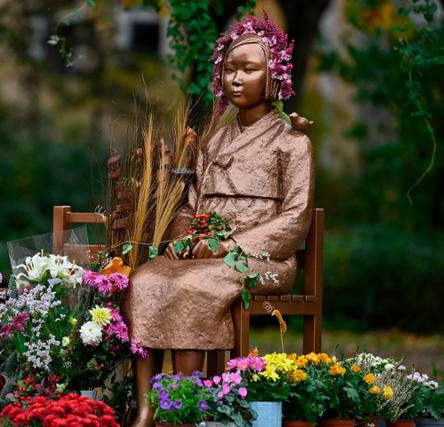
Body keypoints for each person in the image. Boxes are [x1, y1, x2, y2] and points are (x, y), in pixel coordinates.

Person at [124, 13, 315, 427]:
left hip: (264, 259)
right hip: (204, 253)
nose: (237, 79)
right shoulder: (214, 139)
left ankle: (187, 409)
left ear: (274, 76)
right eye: (230, 69)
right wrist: (182, 236)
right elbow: (191, 204)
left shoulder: (292, 141)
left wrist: (228, 245)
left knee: (193, 284)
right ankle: (146, 409)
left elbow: (296, 218)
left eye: (249, 69)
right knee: (145, 280)